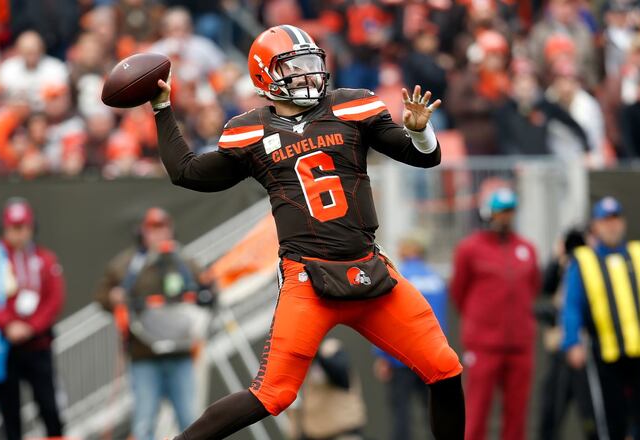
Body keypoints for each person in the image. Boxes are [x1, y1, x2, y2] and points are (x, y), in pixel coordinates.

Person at [150, 25, 464, 440]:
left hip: (369, 271)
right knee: (272, 394)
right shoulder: (250, 131)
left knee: (445, 368)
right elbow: (187, 172)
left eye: (310, 65)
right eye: (294, 69)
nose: (307, 76)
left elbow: (424, 158)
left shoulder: (352, 107)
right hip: (308, 279)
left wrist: (420, 131)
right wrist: (161, 108)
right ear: (266, 77)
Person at [562, 196, 640, 440]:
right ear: (596, 225)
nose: (611, 226)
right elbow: (572, 306)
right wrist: (572, 341)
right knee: (611, 420)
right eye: (605, 220)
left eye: (615, 219)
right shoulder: (584, 260)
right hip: (605, 353)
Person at [96, 207, 205, 439]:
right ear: (143, 232)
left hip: (180, 354)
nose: (159, 235)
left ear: (171, 229)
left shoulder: (183, 260)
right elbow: (103, 295)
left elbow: (206, 288)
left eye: (163, 228)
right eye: (153, 229)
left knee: (190, 422)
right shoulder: (128, 263)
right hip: (144, 356)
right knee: (144, 423)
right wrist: (113, 297)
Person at [0, 197, 64, 440]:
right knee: (9, 413)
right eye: (14, 228)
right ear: (4, 228)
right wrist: (7, 324)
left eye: (25, 227)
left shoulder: (45, 259)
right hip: (5, 347)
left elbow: (54, 298)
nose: (20, 234)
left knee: (49, 408)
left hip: (38, 344)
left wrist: (31, 327)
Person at [450, 188, 540, 440]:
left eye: (510, 211)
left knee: (517, 414)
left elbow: (532, 288)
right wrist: (480, 322)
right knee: (477, 412)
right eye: (501, 211)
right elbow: (459, 292)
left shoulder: (527, 248)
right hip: (484, 345)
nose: (506, 217)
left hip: (520, 344)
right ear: (488, 213)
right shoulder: (469, 249)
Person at [373, 234, 449, 440]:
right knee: (433, 414)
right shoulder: (436, 279)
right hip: (430, 357)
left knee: (401, 415)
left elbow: (386, 319)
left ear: (412, 249)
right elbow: (441, 321)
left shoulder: (399, 276)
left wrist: (382, 356)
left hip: (401, 358)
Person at [536, 228, 596, 440]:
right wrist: (557, 258)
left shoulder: (593, 270)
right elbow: (542, 289)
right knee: (550, 415)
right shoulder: (560, 269)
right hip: (558, 353)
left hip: (585, 355)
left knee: (592, 417)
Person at [288, 338, 366, 440]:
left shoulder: (331, 349)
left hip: (344, 433)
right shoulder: (296, 365)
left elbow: (342, 378)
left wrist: (315, 353)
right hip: (315, 435)